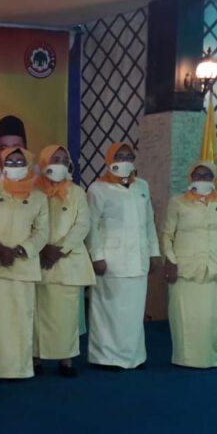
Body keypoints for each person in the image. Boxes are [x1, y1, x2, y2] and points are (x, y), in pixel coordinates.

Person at [0, 147, 48, 379]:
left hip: (22, 267)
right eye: (10, 162)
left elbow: (42, 232)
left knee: (19, 320)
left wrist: (20, 250)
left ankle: (19, 369)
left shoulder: (38, 197)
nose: (14, 166)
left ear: (29, 165)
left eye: (19, 162)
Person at [87, 143, 161, 369]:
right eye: (119, 156)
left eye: (129, 156)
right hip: (111, 261)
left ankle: (133, 357)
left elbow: (149, 222)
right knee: (108, 311)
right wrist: (96, 256)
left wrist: (154, 252)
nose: (124, 160)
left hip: (138, 259)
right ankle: (105, 357)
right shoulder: (97, 189)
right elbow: (91, 226)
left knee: (134, 313)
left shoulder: (142, 186)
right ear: (109, 159)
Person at [162, 161, 217, 368]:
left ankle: (211, 358)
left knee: (214, 317)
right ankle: (184, 358)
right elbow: (167, 235)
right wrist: (170, 261)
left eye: (207, 176)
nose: (202, 179)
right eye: (198, 175)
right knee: (185, 316)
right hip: (185, 268)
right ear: (191, 178)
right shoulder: (177, 202)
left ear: (214, 179)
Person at [33, 145, 95, 377]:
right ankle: (36, 358)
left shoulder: (77, 192)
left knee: (67, 316)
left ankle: (66, 360)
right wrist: (41, 248)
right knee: (38, 313)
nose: (59, 163)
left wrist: (60, 249)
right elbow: (28, 223)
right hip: (39, 260)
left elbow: (83, 225)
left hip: (68, 261)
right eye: (54, 159)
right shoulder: (32, 191)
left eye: (63, 159)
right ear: (43, 162)